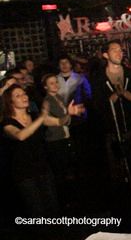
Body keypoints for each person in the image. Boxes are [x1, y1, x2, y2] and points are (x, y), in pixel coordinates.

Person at [1, 84, 79, 216]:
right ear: (10, 101)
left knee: (53, 207)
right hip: (24, 172)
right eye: (18, 95)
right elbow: (21, 135)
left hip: (43, 167)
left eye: (24, 94)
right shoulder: (7, 123)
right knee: (37, 210)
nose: (24, 97)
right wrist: (42, 118)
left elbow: (59, 122)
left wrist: (68, 114)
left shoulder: (35, 115)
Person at [90, 40, 131, 208]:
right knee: (117, 173)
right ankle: (124, 207)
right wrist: (115, 95)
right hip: (113, 133)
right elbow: (98, 106)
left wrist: (125, 94)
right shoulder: (99, 78)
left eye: (120, 50)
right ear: (105, 55)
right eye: (114, 50)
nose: (119, 53)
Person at [41, 74, 85, 209]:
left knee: (69, 169)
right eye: (51, 83)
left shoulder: (58, 98)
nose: (55, 85)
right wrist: (70, 114)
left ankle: (71, 198)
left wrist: (73, 113)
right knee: (61, 172)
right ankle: (64, 202)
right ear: (45, 87)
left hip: (64, 137)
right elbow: (58, 120)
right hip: (56, 140)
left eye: (56, 82)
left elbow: (66, 119)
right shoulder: (47, 101)